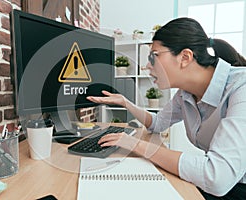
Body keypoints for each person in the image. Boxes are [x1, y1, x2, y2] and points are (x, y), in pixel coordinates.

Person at [87, 17, 246, 199]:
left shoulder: (241, 88)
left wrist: (136, 144)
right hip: (223, 185)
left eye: (153, 56)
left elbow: (217, 177)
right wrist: (125, 102)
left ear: (185, 57)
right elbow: (157, 124)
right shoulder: (185, 94)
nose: (147, 66)